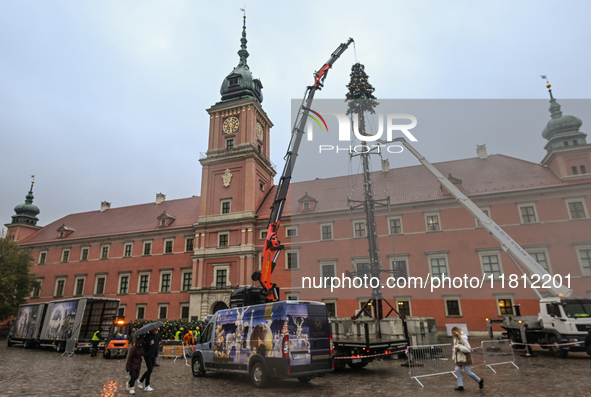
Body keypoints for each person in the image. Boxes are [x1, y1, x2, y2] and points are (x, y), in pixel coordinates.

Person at [451, 327, 483, 391]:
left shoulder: (463, 338)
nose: (453, 334)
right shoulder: (454, 338)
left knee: (468, 372)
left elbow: (468, 349)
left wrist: (459, 347)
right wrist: (454, 350)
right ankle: (460, 386)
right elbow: (455, 347)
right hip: (458, 357)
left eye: (454, 333)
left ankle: (479, 380)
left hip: (465, 357)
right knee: (458, 371)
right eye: (452, 333)